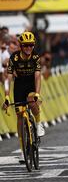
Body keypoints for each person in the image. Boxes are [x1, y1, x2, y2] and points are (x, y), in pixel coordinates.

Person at [2, 31, 45, 163]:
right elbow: (8, 78)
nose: (28, 48)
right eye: (25, 45)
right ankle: (22, 150)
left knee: (32, 101)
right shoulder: (14, 58)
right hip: (19, 86)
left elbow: (38, 76)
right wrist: (7, 96)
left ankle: (38, 123)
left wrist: (37, 93)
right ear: (21, 46)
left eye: (31, 45)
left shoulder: (35, 57)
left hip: (32, 84)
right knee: (20, 116)